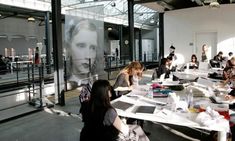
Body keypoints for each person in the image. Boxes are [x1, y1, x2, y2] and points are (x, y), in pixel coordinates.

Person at [80, 79, 149, 141]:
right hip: (105, 137)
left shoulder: (86, 106)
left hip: (88, 137)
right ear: (106, 93)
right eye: (109, 90)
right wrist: (123, 121)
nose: (111, 92)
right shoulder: (108, 111)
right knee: (138, 130)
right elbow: (125, 130)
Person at [65, 19, 99, 86]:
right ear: (69, 48)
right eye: (81, 46)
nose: (88, 56)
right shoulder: (64, 84)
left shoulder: (97, 80)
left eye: (93, 48)